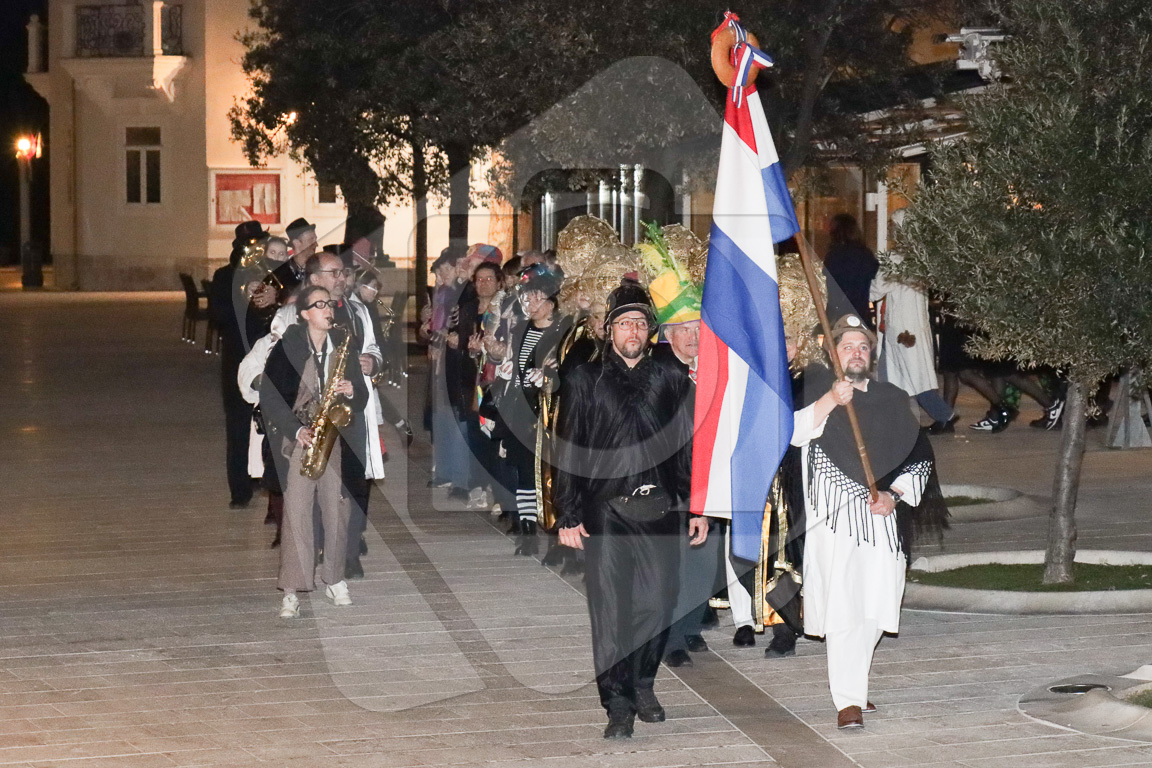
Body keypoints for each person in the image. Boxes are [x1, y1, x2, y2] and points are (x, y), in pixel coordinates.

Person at [554, 284, 707, 740]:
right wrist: (568, 513)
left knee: (658, 603)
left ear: (651, 330)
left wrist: (696, 506)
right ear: (609, 330)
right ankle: (618, 702)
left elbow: (687, 447)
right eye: (624, 323)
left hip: (660, 509)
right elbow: (568, 449)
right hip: (605, 512)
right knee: (611, 609)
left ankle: (643, 682)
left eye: (640, 323)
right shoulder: (584, 379)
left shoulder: (671, 379)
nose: (633, 331)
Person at [793, 314, 944, 729]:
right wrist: (831, 400)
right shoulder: (817, 395)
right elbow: (793, 433)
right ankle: (848, 701)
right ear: (833, 354)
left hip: (882, 520)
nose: (856, 353)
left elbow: (919, 456)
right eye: (847, 347)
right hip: (835, 526)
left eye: (862, 347)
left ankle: (855, 683)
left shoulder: (892, 398)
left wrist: (895, 494)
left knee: (878, 606)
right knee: (845, 608)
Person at [260, 284, 369, 618]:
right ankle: (291, 590)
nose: (328, 309)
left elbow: (361, 397)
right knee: (296, 513)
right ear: (305, 314)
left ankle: (334, 579)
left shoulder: (343, 345)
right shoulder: (288, 347)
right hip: (299, 439)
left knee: (337, 512)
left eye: (329, 303)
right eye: (319, 304)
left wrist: (352, 390)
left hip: (334, 439)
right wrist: (296, 429)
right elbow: (270, 397)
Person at [495, 263, 570, 554]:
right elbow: (514, 365)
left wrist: (552, 373)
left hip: (548, 412)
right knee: (524, 472)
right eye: (527, 297)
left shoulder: (564, 331)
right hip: (521, 409)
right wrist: (506, 371)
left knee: (551, 475)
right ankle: (527, 531)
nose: (529, 302)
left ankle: (556, 536)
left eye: (536, 297)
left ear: (552, 302)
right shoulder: (521, 329)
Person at [869, 209, 955, 430]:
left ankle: (944, 415)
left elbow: (877, 290)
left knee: (911, 378)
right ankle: (898, 419)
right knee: (903, 376)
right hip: (912, 327)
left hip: (900, 330)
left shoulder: (896, 260)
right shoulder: (920, 258)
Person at [208, 220, 270, 508]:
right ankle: (239, 489)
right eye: (250, 245)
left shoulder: (271, 275)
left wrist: (268, 297)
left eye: (259, 244)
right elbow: (217, 316)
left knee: (271, 422)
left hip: (267, 357)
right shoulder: (224, 277)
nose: (256, 250)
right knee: (237, 424)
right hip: (237, 358)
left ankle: (266, 479)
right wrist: (242, 298)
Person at [823, 214, 879, 327]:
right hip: (860, 310)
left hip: (837, 312)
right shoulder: (865, 254)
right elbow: (875, 276)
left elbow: (827, 284)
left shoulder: (834, 255)